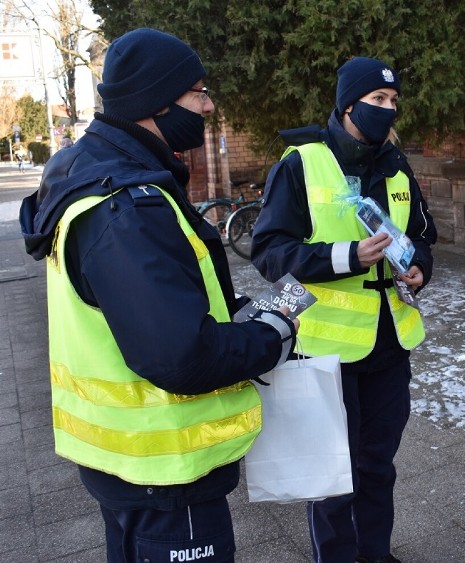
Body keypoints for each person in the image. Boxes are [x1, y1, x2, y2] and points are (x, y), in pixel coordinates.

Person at [19, 28, 297, 562]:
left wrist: (233, 315)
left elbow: (154, 306)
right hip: (165, 466)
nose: (209, 106)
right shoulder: (127, 205)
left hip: (131, 462)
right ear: (156, 102)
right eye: (198, 92)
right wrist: (271, 336)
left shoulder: (94, 175)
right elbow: (180, 357)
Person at [251, 56, 437, 563]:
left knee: (378, 466)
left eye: (393, 101)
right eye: (378, 100)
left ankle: (376, 555)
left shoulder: (396, 163)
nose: (388, 109)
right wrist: (346, 256)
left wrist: (419, 265)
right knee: (333, 474)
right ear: (348, 104)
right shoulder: (301, 162)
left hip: (389, 343)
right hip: (326, 349)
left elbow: (422, 234)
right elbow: (269, 251)